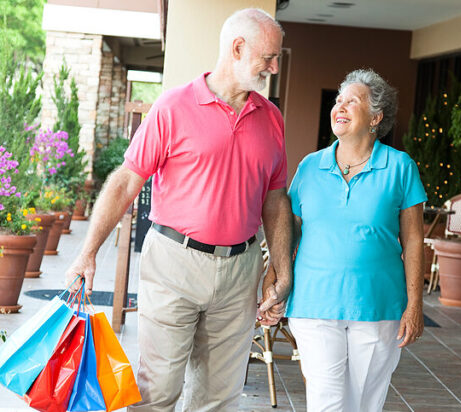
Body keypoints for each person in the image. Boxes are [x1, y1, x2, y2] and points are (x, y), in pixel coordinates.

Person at [64, 8, 293, 411]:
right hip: (174, 263)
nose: (274, 67)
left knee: (219, 398)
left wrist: (280, 266)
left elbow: (275, 197)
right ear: (237, 48)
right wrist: (87, 252)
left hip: (240, 271)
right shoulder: (172, 107)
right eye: (269, 57)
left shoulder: (271, 117)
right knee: (158, 391)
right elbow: (124, 183)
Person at [262, 69, 426, 412]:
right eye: (339, 100)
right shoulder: (310, 166)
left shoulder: (400, 167)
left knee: (365, 401)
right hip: (314, 301)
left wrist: (414, 304)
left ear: (376, 117)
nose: (341, 106)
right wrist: (274, 280)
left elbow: (413, 239)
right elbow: (289, 230)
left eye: (353, 100)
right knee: (326, 401)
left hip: (378, 304)